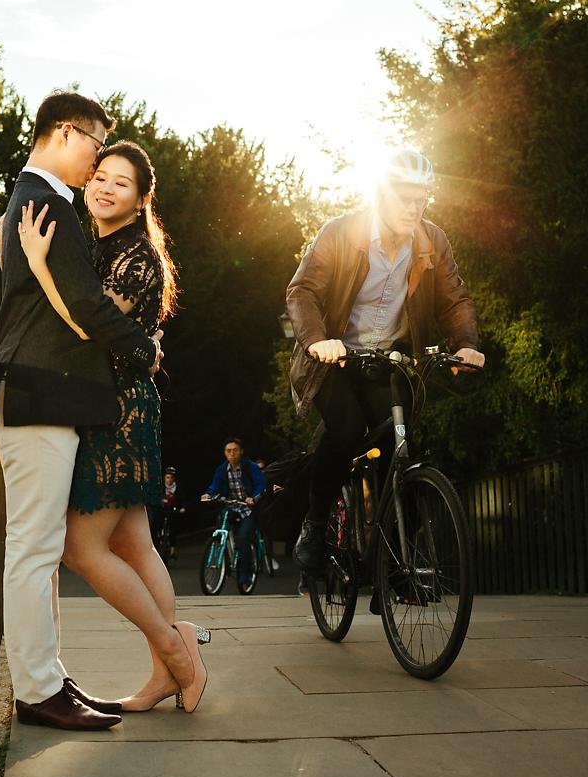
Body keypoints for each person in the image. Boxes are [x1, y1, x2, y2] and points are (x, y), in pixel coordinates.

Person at [9, 139, 210, 715]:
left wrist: (39, 263)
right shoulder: (101, 247)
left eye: (120, 182)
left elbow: (86, 325)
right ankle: (167, 672)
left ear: (142, 197)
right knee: (134, 544)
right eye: (99, 176)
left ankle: (177, 653)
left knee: (80, 546)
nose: (103, 187)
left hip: (118, 410)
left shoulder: (137, 257)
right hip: (116, 401)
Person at [285, 150, 485, 575]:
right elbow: (303, 292)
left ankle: (397, 562)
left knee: (404, 447)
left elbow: (455, 300)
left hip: (388, 360)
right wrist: (319, 341)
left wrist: (465, 343)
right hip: (334, 360)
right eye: (404, 197)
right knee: (345, 428)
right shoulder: (341, 233)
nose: (414, 208)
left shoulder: (433, 240)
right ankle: (316, 524)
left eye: (422, 198)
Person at [201, 438, 266, 587]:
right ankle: (224, 555)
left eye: (235, 450)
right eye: (228, 451)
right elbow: (214, 486)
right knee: (220, 526)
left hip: (248, 508)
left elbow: (261, 485)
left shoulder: (251, 467)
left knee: (243, 539)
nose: (232, 454)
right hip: (231, 506)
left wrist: (253, 498)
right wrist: (208, 494)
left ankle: (245, 575)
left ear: (241, 451)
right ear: (225, 453)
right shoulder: (222, 469)